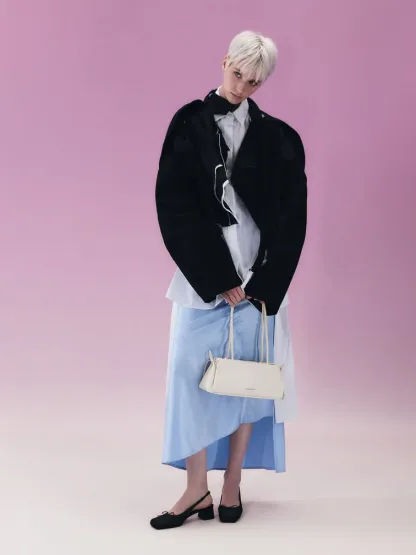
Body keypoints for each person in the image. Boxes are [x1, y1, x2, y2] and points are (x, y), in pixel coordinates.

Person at [151, 30, 307, 529]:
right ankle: (196, 488)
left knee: (248, 382)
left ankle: (232, 483)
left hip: (258, 278)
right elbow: (172, 203)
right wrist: (216, 276)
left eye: (254, 81)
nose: (242, 87)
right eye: (238, 74)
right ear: (224, 62)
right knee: (187, 375)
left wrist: (265, 282)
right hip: (204, 275)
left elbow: (293, 217)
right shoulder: (188, 123)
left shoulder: (281, 137)